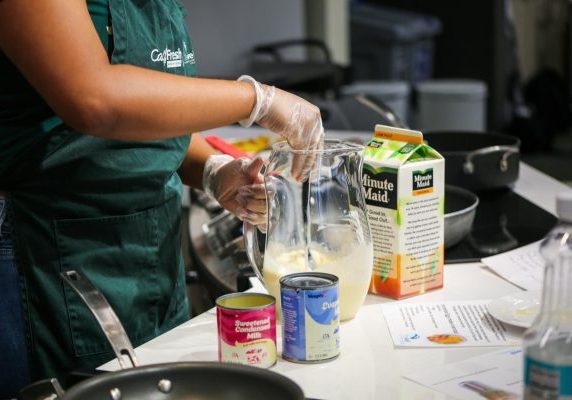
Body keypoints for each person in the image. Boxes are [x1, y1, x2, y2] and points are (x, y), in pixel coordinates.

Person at [0, 0, 324, 396]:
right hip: (46, 255)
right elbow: (94, 100)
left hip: (150, 251)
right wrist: (256, 100)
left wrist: (212, 169)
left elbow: (147, 109)